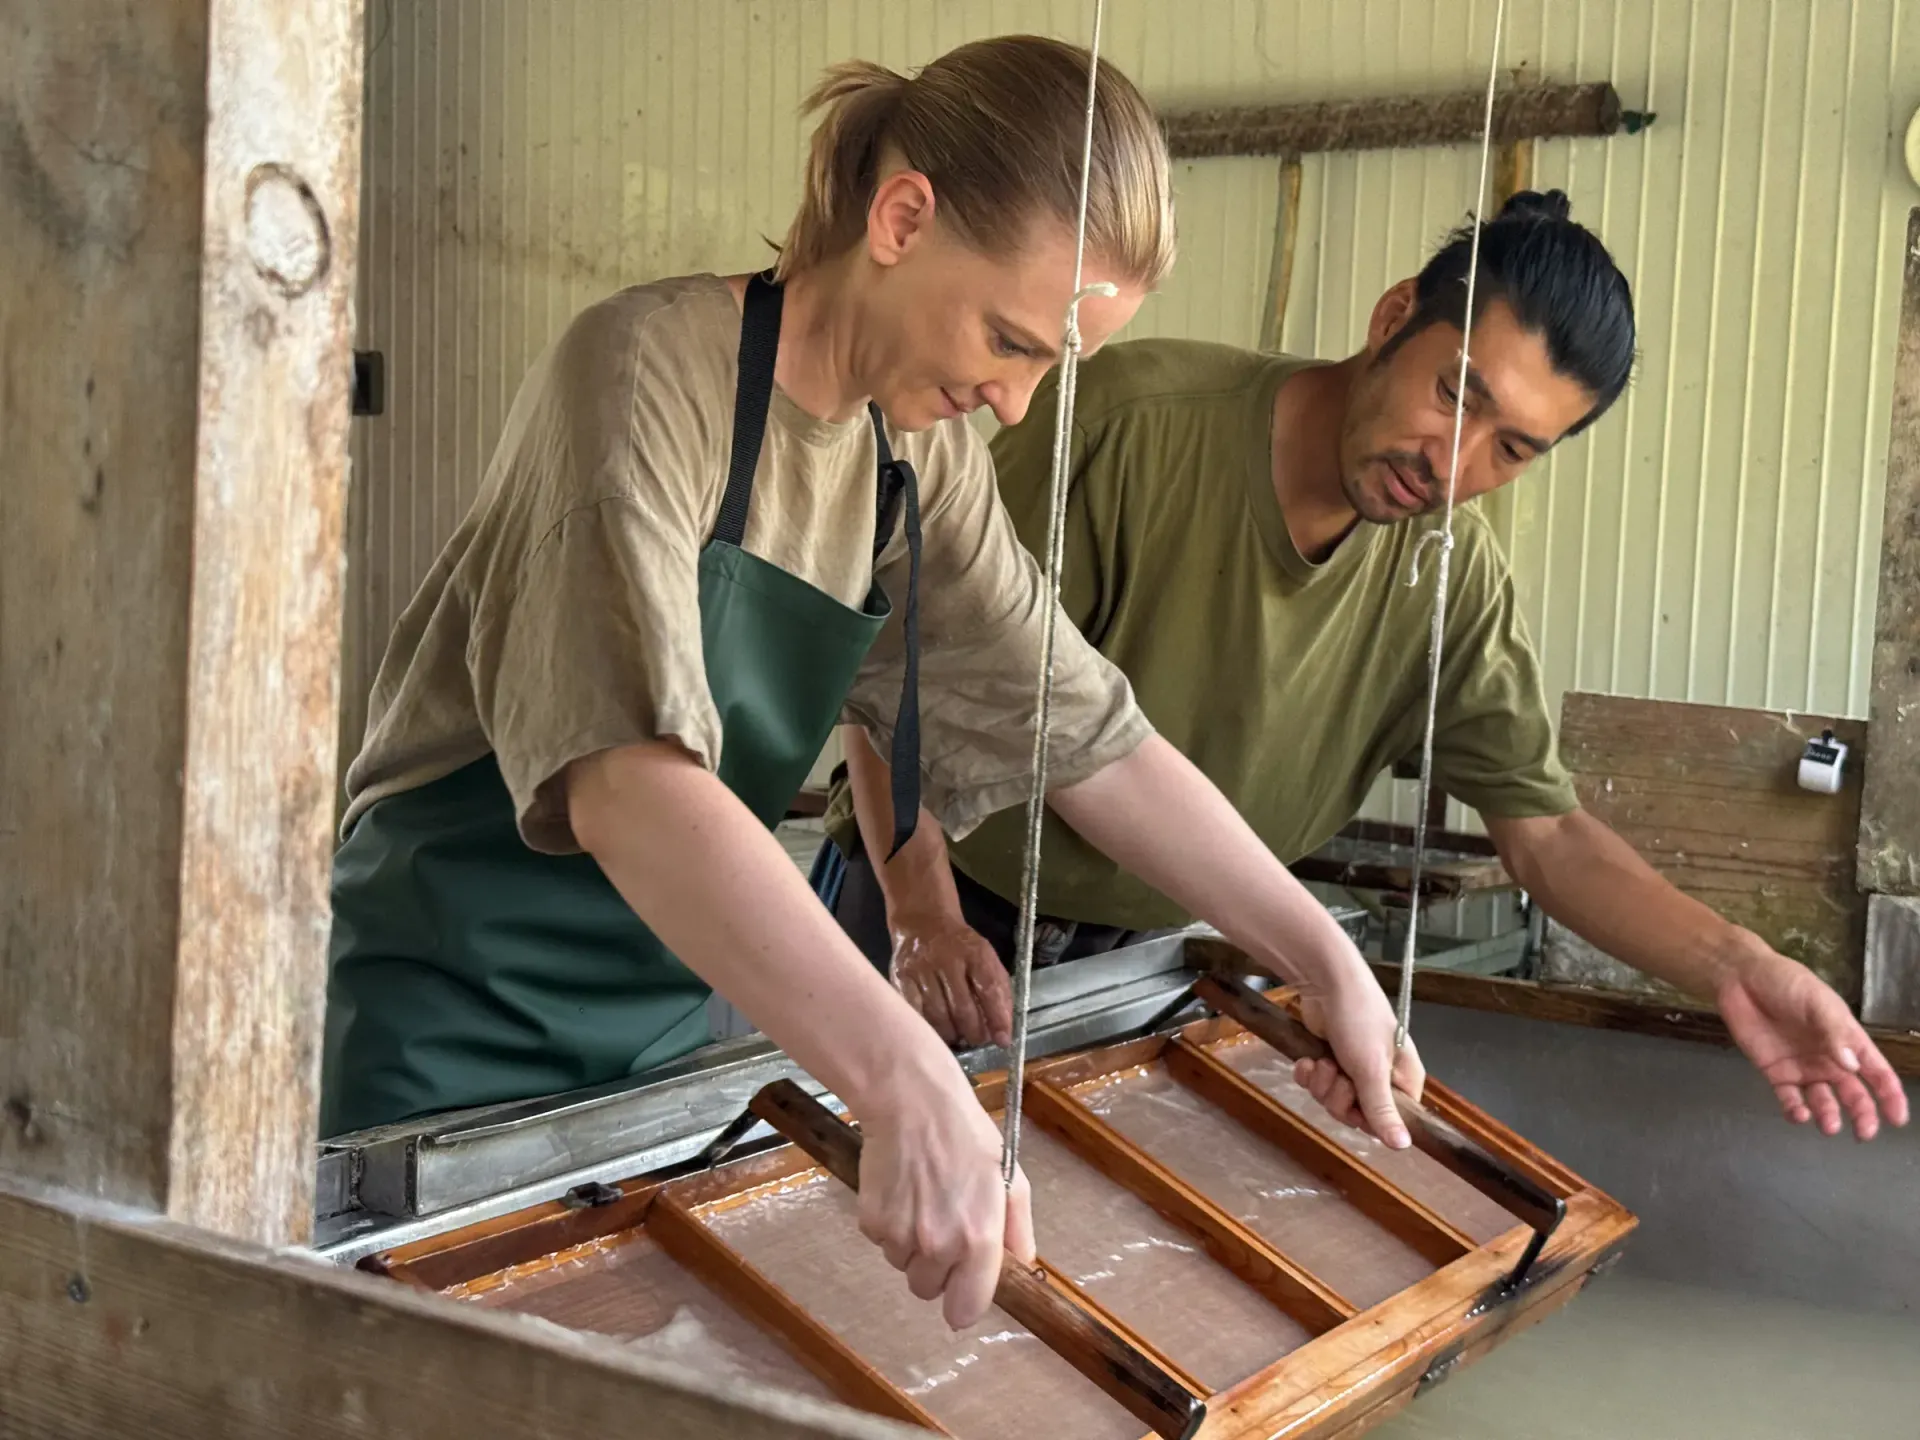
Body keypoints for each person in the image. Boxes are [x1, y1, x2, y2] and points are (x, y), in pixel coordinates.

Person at [321, 36, 1423, 1333]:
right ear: (901, 218)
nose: (1015, 406)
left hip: (657, 1036)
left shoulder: (912, 458)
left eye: (1048, 368)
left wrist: (1319, 958)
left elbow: (1080, 729)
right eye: (1008, 341)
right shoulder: (642, 374)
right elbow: (624, 781)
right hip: (444, 1037)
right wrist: (902, 1074)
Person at [827, 189, 1911, 1144]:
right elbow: (901, 676)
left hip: (1161, 952)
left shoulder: (1452, 581)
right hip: (940, 900)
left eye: (1513, 450)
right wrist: (923, 916)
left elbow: (1546, 836)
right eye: (1457, 394)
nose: (1453, 464)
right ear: (1393, 318)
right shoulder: (1124, 424)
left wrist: (1740, 967)